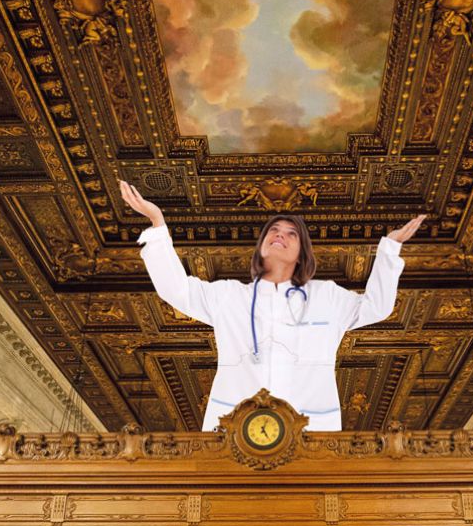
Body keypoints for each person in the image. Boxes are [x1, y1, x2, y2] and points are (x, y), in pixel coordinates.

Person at [120, 180, 425, 431]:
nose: (280, 235)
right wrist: (157, 224)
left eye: (291, 234)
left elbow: (377, 307)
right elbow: (176, 290)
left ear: (302, 253)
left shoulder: (327, 297)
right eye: (274, 231)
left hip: (311, 430)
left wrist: (390, 250)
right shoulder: (228, 296)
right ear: (262, 246)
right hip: (233, 429)